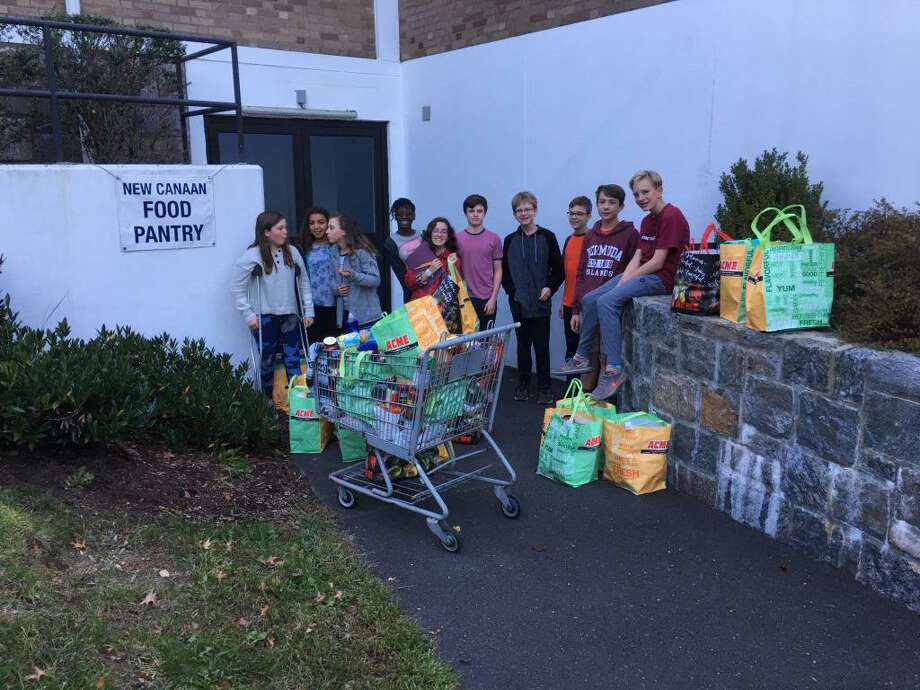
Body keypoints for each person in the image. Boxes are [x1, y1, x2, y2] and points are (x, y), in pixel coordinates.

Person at [554, 171, 689, 400]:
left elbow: (658, 261)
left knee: (607, 302)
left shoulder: (671, 216)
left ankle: (614, 370)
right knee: (589, 299)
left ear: (659, 190)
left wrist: (628, 280)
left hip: (661, 279)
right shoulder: (647, 220)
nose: (641, 198)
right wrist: (625, 278)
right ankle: (581, 356)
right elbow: (638, 255)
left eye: (645, 192)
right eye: (637, 194)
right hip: (641, 274)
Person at [231, 211, 314, 396]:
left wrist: (309, 311)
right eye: (281, 228)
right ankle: (266, 401)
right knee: (266, 359)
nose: (286, 232)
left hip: (290, 314)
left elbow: (304, 282)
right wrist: (248, 314)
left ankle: (298, 399)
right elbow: (237, 288)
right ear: (267, 232)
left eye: (285, 227)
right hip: (264, 315)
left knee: (293, 358)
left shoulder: (292, 252)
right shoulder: (251, 255)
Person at [501, 191, 563, 405]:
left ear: (535, 211)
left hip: (541, 304)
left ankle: (545, 388)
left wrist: (550, 287)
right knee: (522, 347)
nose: (524, 213)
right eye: (519, 210)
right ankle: (523, 384)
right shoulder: (509, 240)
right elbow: (504, 272)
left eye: (528, 209)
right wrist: (512, 293)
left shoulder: (547, 237)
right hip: (518, 305)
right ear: (514, 214)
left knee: (542, 348)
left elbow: (559, 269)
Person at [325, 212, 383, 329]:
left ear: (344, 231)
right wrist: (337, 289)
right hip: (345, 317)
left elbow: (375, 280)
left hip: (367, 319)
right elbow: (331, 278)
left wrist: (354, 275)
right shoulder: (333, 251)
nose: (327, 231)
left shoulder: (362, 251)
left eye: (331, 228)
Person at [455, 194, 502, 329]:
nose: (475, 214)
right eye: (471, 211)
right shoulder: (456, 239)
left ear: (484, 213)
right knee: (465, 346)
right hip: (464, 300)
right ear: (465, 213)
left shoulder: (494, 239)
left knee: (486, 345)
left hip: (487, 299)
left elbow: (498, 270)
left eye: (479, 211)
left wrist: (493, 298)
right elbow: (453, 271)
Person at [299, 206, 339, 343]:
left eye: (321, 222)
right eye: (312, 223)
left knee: (334, 347)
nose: (316, 226)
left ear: (329, 224)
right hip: (312, 306)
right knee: (315, 347)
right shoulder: (304, 248)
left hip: (335, 304)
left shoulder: (337, 246)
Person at [559, 195, 592, 360]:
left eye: (579, 213)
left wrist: (578, 308)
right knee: (571, 349)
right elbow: (568, 274)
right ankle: (570, 386)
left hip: (585, 305)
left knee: (588, 352)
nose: (574, 217)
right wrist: (562, 301)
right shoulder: (568, 240)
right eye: (571, 213)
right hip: (568, 304)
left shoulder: (593, 240)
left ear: (589, 216)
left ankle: (586, 387)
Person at [404, 217, 463, 301]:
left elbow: (452, 289)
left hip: (440, 310)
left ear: (448, 236)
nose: (439, 235)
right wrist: (428, 272)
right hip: (418, 308)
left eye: (443, 232)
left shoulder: (452, 258)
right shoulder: (421, 253)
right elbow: (408, 283)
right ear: (430, 233)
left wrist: (452, 266)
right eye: (435, 231)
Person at [382, 198, 421, 304]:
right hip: (412, 294)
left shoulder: (423, 236)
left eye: (408, 214)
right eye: (400, 214)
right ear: (395, 216)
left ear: (414, 216)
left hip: (433, 290)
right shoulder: (390, 243)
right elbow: (402, 276)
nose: (404, 217)